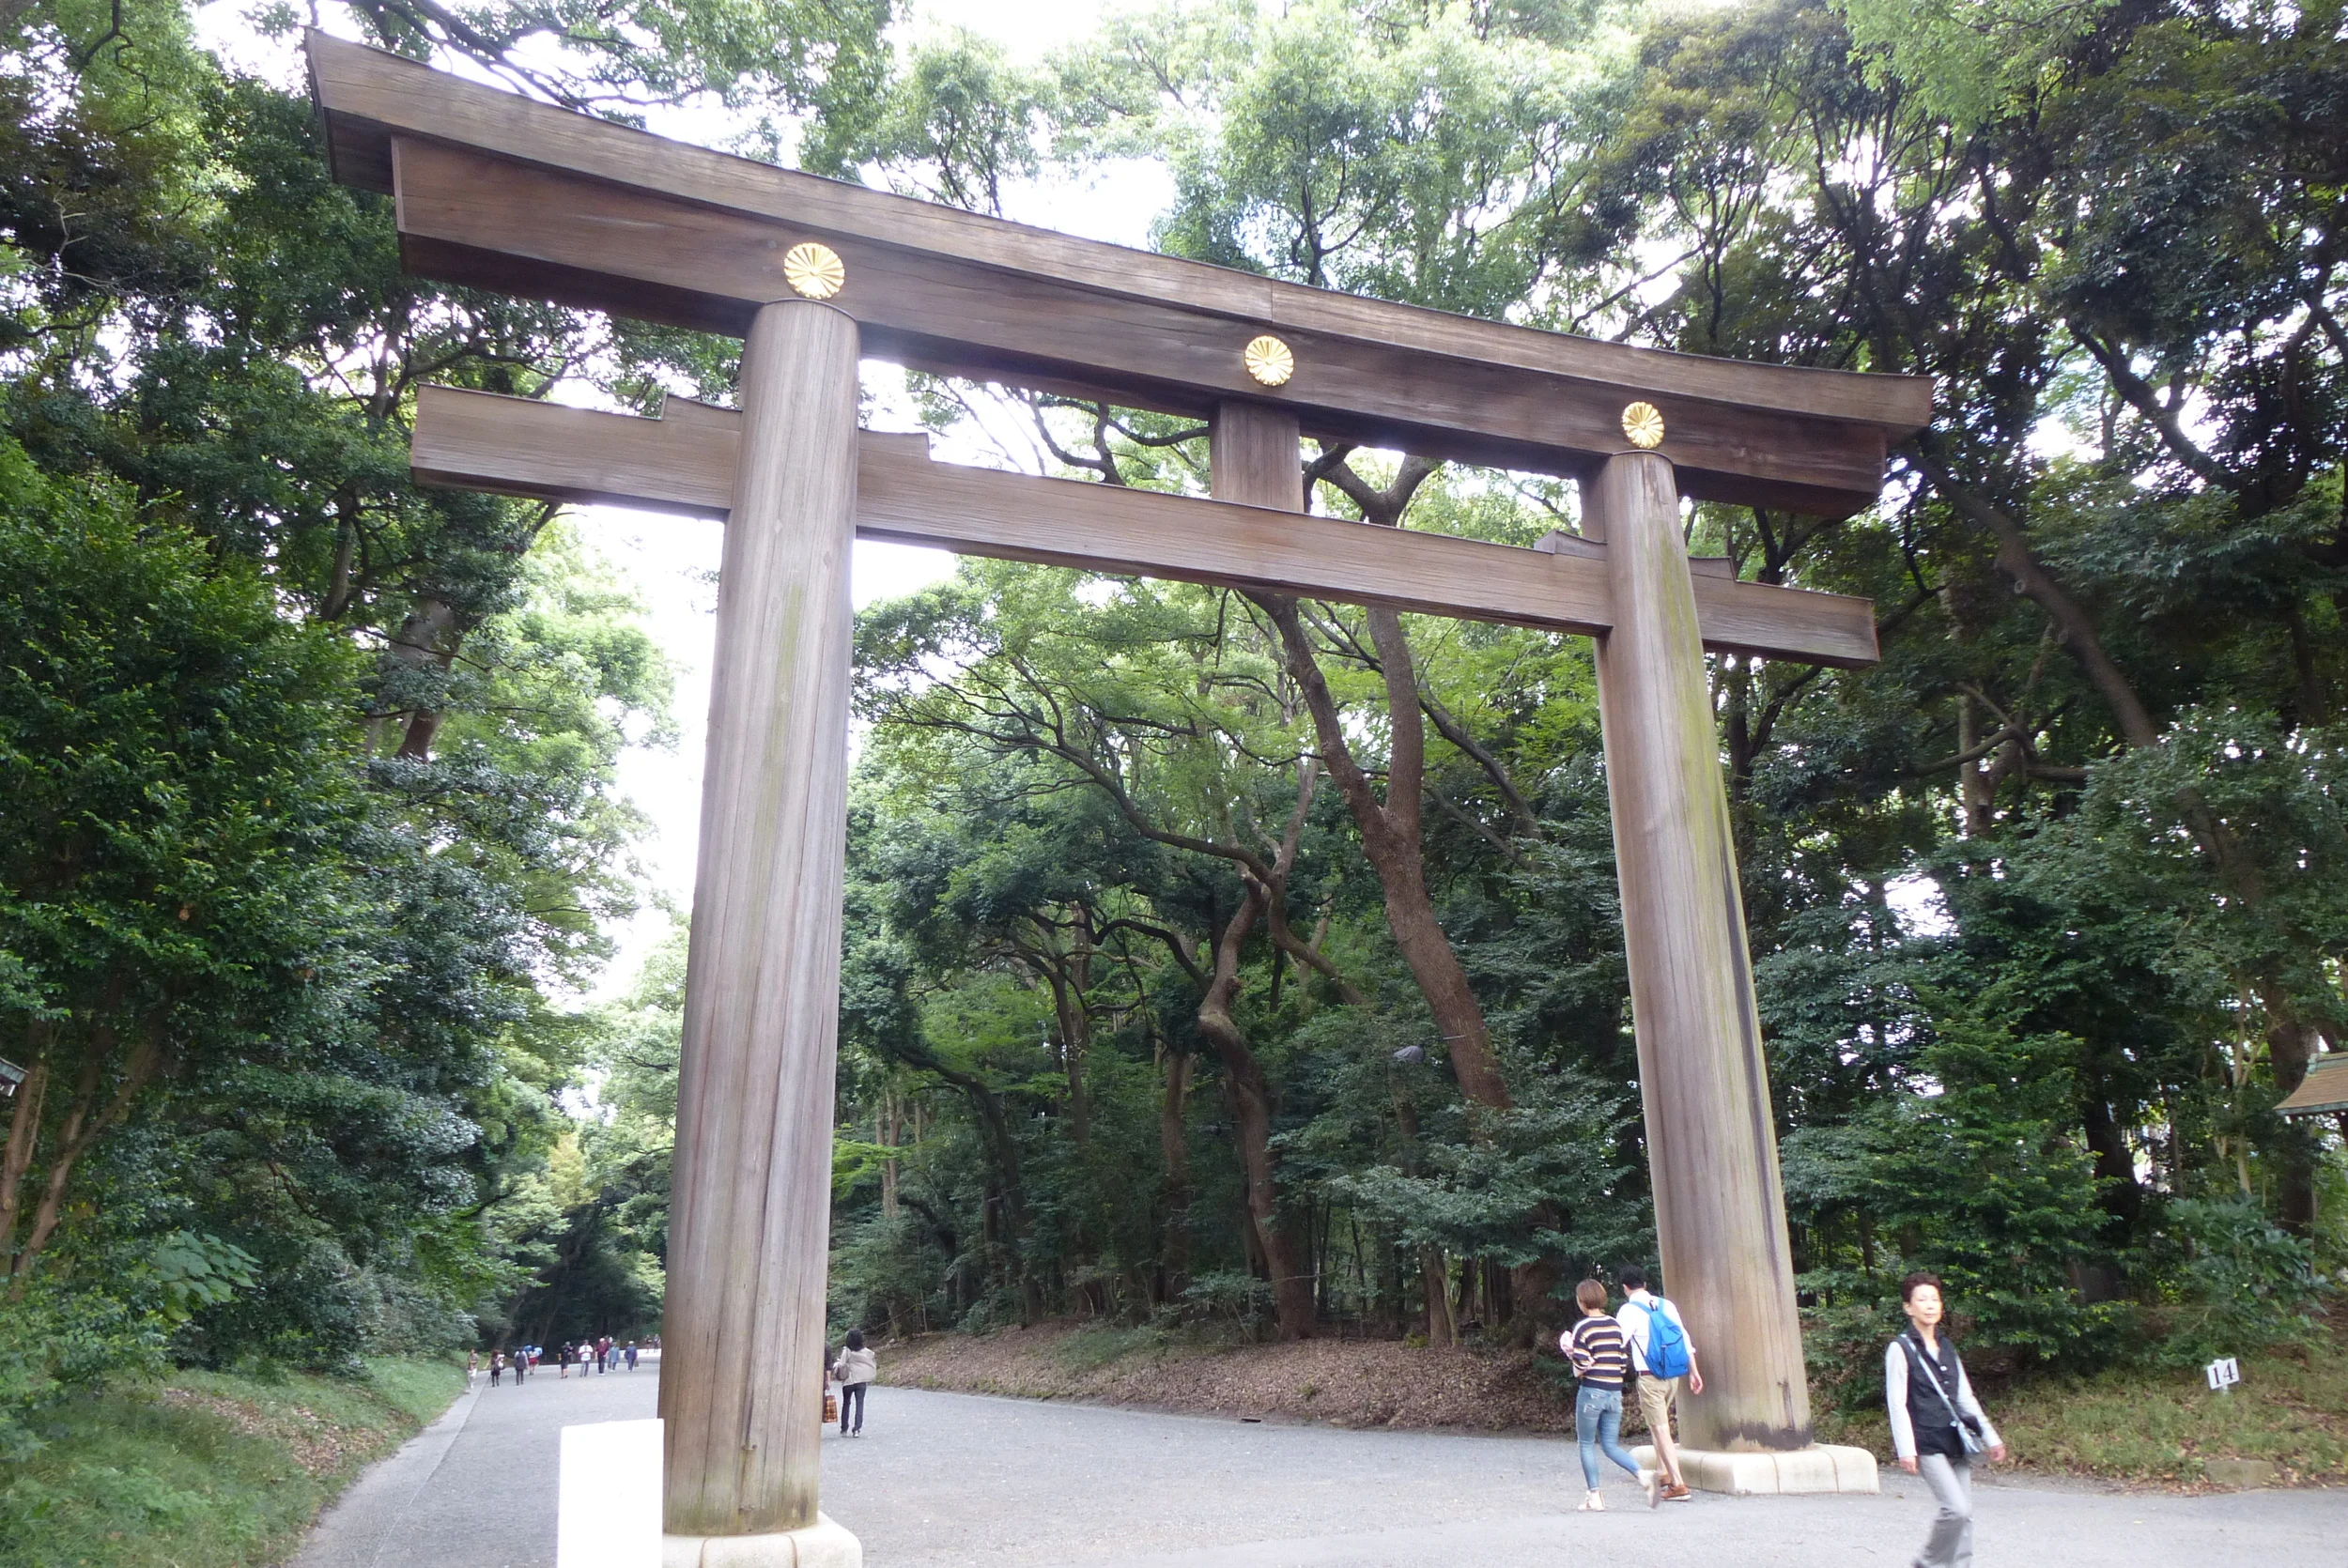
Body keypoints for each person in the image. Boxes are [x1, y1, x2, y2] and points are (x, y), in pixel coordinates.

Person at [1887, 1272, 2007, 1568]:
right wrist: (1906, 1449)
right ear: (1908, 1308)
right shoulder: (1899, 1348)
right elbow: (1897, 1402)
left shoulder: (1948, 1347)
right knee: (1956, 1509)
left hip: (1957, 1438)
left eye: (1934, 1299)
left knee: (1965, 1516)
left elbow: (1965, 1397)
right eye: (1922, 1300)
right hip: (1927, 1441)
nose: (1929, 1305)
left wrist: (1991, 1437)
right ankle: (1928, 1563)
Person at [1615, 1265, 1703, 1503]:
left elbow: (1618, 1342)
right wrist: (1694, 1371)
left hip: (1649, 1376)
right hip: (1673, 1374)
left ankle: (1678, 1484)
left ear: (1625, 1287)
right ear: (1645, 1283)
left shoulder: (1628, 1311)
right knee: (1659, 1424)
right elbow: (1684, 1336)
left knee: (1660, 1429)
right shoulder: (1666, 1305)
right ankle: (1663, 1473)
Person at [1561, 1279, 1643, 1511]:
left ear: (1582, 1301)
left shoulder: (1583, 1327)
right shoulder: (1615, 1326)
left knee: (1586, 1444)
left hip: (1592, 1391)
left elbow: (1583, 1362)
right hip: (1614, 1391)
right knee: (1610, 1445)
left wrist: (1569, 1349)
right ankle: (1644, 1475)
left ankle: (1594, 1496)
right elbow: (1622, 1362)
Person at [831, 1330, 877, 1437]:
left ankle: (844, 1428)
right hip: (861, 1382)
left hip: (849, 1381)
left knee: (846, 1404)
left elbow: (842, 1364)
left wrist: (837, 1365)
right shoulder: (867, 1352)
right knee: (860, 1404)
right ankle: (857, 1429)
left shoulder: (847, 1351)